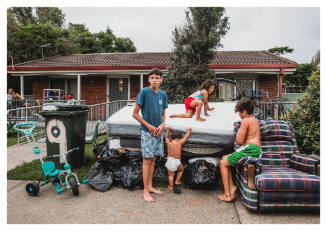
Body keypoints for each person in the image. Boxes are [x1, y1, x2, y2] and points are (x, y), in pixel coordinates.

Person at [132, 68, 168, 202]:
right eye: (152, 77)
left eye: (157, 78)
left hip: (158, 132)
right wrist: (149, 126)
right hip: (147, 132)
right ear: (148, 80)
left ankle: (151, 186)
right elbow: (135, 114)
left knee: (153, 159)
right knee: (147, 160)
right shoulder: (144, 92)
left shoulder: (163, 94)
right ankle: (145, 191)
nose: (154, 80)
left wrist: (163, 124)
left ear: (161, 80)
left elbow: (164, 114)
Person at [217, 97, 261, 202]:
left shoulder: (245, 120)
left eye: (239, 113)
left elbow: (239, 141)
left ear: (244, 112)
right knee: (225, 158)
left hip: (250, 149)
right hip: (256, 149)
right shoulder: (255, 119)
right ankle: (231, 187)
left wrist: (239, 129)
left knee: (222, 163)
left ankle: (227, 195)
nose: (239, 116)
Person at [165, 126, 191, 194]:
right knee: (181, 170)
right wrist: (188, 131)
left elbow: (166, 137)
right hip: (177, 161)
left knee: (171, 175)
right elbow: (186, 137)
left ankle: (170, 187)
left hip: (170, 161)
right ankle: (177, 181)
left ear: (172, 136)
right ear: (180, 136)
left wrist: (168, 130)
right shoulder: (180, 142)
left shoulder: (169, 142)